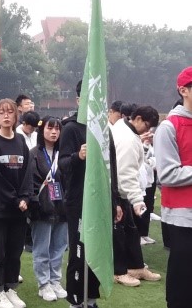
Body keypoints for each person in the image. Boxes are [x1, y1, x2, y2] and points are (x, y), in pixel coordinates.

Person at [0, 98, 32, 308]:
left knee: (14, 252)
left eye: (10, 112)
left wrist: (25, 197)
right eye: (1, 112)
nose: (6, 115)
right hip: (0, 208)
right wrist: (14, 199)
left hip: (19, 209)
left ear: (16, 115)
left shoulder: (21, 141)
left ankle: (10, 288)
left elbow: (27, 171)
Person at [58, 81, 100, 308]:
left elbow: (110, 167)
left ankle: (91, 298)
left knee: (96, 251)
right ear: (78, 100)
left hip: (99, 200)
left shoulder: (102, 128)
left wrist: (114, 201)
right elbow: (63, 164)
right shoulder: (71, 128)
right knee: (78, 251)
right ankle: (75, 300)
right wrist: (78, 156)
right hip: (78, 200)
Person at [110, 105, 161, 286]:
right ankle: (119, 271)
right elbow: (126, 173)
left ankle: (136, 266)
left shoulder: (126, 130)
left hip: (123, 192)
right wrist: (137, 199)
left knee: (131, 231)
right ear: (137, 118)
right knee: (119, 232)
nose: (147, 130)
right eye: (146, 125)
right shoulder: (127, 138)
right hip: (117, 192)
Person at [155, 66, 192, 308]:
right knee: (182, 284)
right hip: (183, 218)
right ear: (183, 90)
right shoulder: (169, 127)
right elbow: (168, 174)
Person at [29, 116, 68, 302]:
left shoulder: (65, 153)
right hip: (42, 208)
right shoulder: (34, 154)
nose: (54, 132)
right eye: (49, 128)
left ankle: (55, 280)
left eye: (57, 129)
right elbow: (31, 182)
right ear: (41, 130)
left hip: (62, 207)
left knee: (59, 248)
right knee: (42, 249)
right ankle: (43, 283)